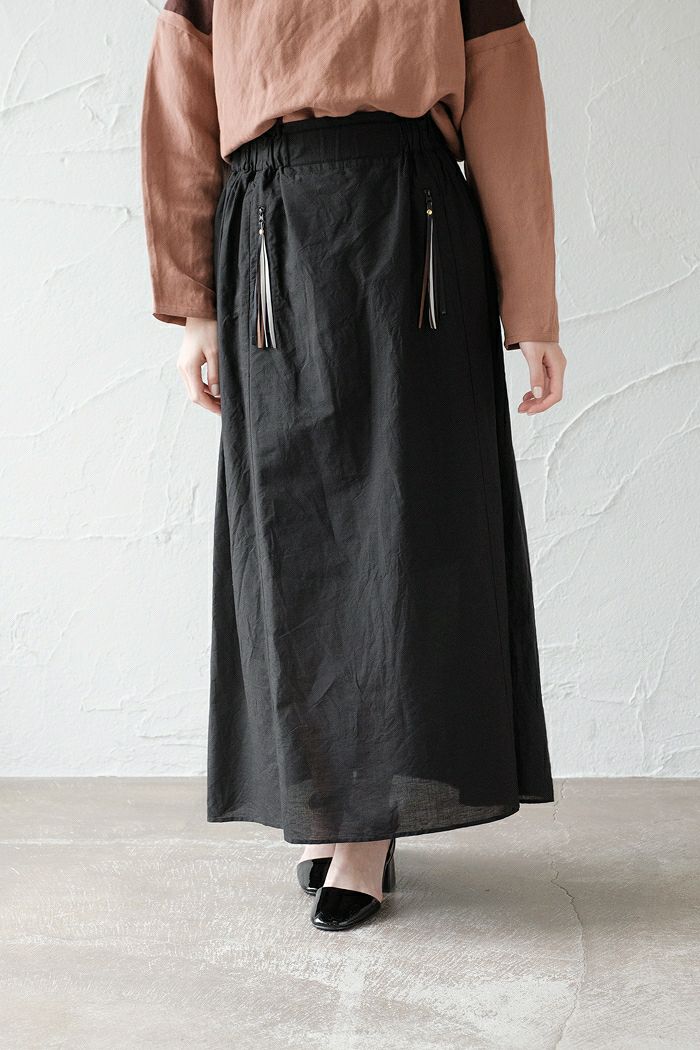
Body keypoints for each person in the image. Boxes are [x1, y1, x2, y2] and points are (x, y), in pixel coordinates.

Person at [141, 0, 566, 932]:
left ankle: (368, 827)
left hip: (411, 230)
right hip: (270, 236)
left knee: (407, 530)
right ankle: (327, 799)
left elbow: (504, 98)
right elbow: (182, 105)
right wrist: (197, 309)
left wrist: (531, 308)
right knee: (291, 531)